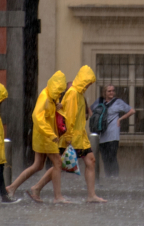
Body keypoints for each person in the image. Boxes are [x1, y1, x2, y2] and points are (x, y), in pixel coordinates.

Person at [30, 66, 106, 203]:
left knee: (90, 161)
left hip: (79, 137)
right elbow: (69, 117)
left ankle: (91, 195)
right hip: (70, 138)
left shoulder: (79, 93)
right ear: (83, 80)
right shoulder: (73, 93)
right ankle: (37, 187)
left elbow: (77, 118)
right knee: (59, 165)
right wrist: (69, 137)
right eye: (88, 82)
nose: (89, 85)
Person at [5, 71, 69, 204]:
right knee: (57, 163)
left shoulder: (51, 95)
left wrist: (58, 107)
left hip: (43, 136)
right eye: (59, 91)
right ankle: (58, 197)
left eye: (61, 92)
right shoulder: (45, 97)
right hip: (46, 136)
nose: (59, 94)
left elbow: (48, 113)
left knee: (38, 165)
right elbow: (37, 117)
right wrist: (51, 134)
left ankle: (12, 188)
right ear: (54, 87)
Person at [97, 84, 134, 178]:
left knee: (112, 157)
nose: (111, 92)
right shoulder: (100, 102)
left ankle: (115, 176)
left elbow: (132, 111)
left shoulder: (118, 102)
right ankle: (108, 176)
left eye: (113, 91)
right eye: (109, 91)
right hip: (102, 134)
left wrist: (120, 119)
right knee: (105, 158)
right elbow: (91, 110)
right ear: (104, 92)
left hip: (113, 134)